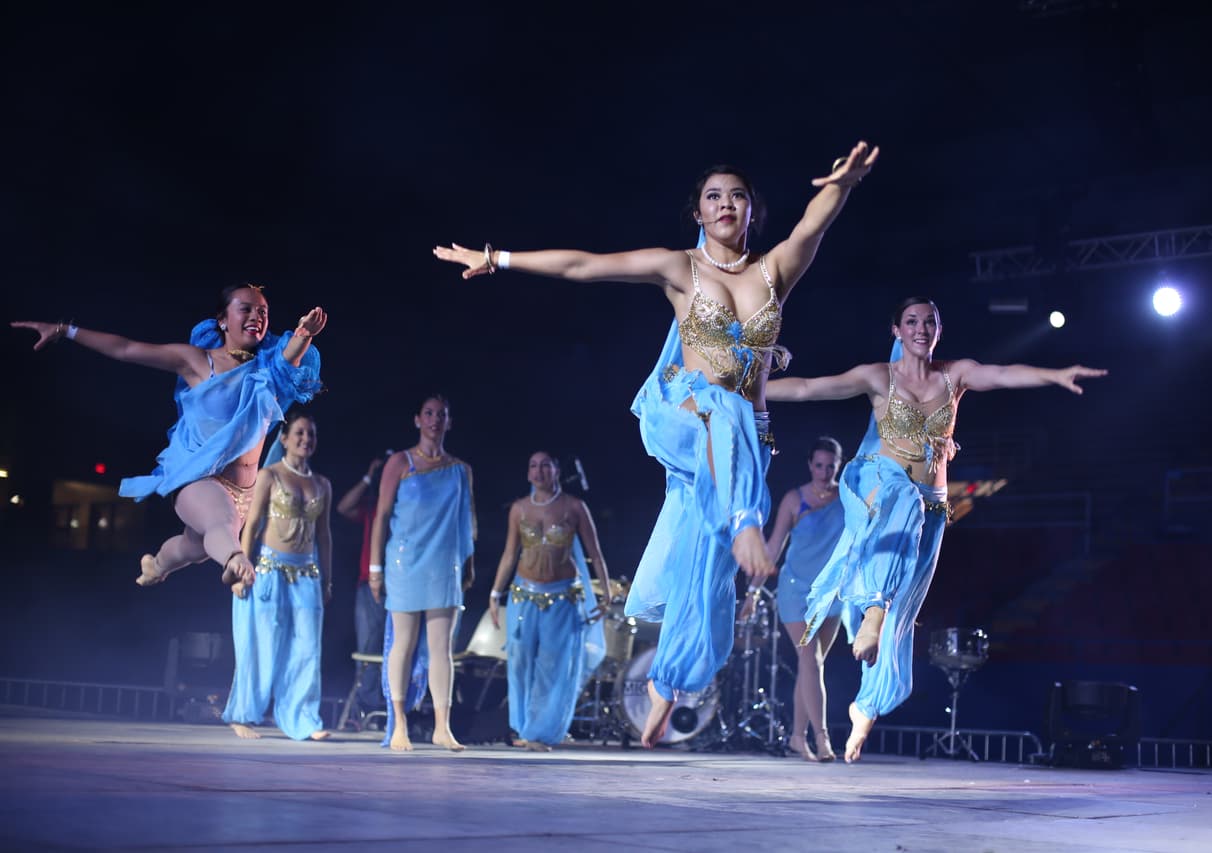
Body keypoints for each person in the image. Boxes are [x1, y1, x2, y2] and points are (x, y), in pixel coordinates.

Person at [434, 142, 879, 747]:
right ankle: (746, 521)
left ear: (752, 211)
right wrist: (498, 257)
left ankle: (665, 690)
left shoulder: (774, 272)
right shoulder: (680, 269)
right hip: (680, 415)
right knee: (723, 409)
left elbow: (813, 223)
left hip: (733, 454)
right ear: (698, 213)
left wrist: (844, 185)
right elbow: (584, 266)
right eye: (712, 197)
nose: (725, 204)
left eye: (737, 195)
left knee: (709, 581)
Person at [767, 297, 1107, 762]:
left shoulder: (955, 375)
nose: (920, 329)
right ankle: (871, 609)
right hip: (889, 488)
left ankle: (866, 707)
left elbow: (1004, 374)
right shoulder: (878, 377)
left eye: (929, 322)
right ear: (896, 330)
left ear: (939, 329)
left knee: (904, 614)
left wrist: (1053, 375)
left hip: (934, 505)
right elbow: (809, 388)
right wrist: (753, 389)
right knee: (900, 506)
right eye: (911, 322)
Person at [12, 286, 325, 587]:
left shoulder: (269, 370)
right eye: (246, 308)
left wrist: (304, 333)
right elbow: (126, 349)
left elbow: (292, 355)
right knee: (222, 525)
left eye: (263, 311)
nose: (257, 315)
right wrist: (65, 330)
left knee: (195, 548)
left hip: (243, 491)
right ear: (222, 319)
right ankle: (233, 559)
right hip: (200, 481)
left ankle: (158, 565)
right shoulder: (198, 361)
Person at [369, 394, 476, 752]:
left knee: (442, 648)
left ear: (450, 422)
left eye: (441, 414)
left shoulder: (461, 469)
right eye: (428, 414)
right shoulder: (400, 462)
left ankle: (442, 727)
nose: (434, 420)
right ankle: (398, 723)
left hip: (444, 565)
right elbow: (382, 516)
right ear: (417, 420)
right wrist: (375, 568)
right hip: (404, 563)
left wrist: (469, 562)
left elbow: (467, 520)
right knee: (403, 643)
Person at [489, 451, 611, 752]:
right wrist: (495, 594)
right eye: (533, 465)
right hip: (523, 594)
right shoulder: (519, 509)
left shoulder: (574, 507)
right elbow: (509, 554)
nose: (539, 470)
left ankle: (540, 732)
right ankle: (522, 727)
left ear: (557, 470)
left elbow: (595, 553)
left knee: (554, 666)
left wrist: (606, 593)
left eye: (546, 465)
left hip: (562, 598)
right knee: (519, 661)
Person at [223, 409, 332, 741]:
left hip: (307, 575)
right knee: (261, 645)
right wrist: (242, 570)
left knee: (306, 648)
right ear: (284, 438)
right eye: (299, 433)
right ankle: (243, 714)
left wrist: (327, 579)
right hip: (268, 572)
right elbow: (252, 526)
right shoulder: (269, 476)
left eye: (310, 434)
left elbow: (324, 536)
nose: (305, 439)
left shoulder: (322, 484)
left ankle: (302, 719)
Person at [741, 436, 845, 761]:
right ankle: (822, 739)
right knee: (810, 659)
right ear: (809, 465)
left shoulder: (847, 498)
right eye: (819, 465)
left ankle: (798, 738)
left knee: (811, 666)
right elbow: (773, 549)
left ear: (838, 466)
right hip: (795, 590)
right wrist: (753, 592)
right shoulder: (794, 499)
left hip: (831, 593)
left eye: (831, 466)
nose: (824, 472)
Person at [336, 454, 389, 723]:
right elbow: (343, 507)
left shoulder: (403, 505)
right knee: (368, 648)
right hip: (368, 585)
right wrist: (369, 476)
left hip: (401, 587)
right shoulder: (371, 506)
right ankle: (367, 707)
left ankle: (390, 709)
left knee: (396, 649)